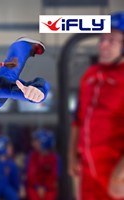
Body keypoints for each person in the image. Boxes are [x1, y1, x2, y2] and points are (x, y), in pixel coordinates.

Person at [68, 11, 124, 199]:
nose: (103, 45)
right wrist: (71, 156)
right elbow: (78, 120)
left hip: (116, 171)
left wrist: (122, 172)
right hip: (88, 170)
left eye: (112, 41)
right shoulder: (90, 75)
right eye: (102, 39)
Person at [25, 129, 59, 200]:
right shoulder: (32, 156)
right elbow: (31, 175)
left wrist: (45, 188)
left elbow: (53, 177)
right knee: (31, 191)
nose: (33, 143)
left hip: (48, 189)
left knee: (51, 194)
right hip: (34, 187)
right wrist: (37, 187)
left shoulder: (53, 158)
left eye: (37, 141)